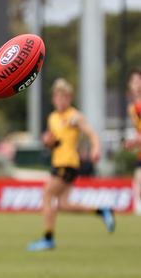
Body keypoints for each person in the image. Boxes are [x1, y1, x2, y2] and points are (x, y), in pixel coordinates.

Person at [27, 78, 114, 251]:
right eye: (58, 97)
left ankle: (48, 239)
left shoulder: (74, 116)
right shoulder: (52, 118)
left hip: (68, 164)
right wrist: (47, 142)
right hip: (57, 163)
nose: (61, 100)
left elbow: (92, 134)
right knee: (64, 204)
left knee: (47, 194)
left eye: (64, 97)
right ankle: (102, 210)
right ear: (54, 98)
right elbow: (53, 143)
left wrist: (96, 149)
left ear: (69, 98)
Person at [124, 68, 141, 209]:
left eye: (137, 80)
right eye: (133, 81)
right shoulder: (132, 108)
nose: (135, 84)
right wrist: (134, 142)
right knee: (138, 180)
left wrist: (135, 142)